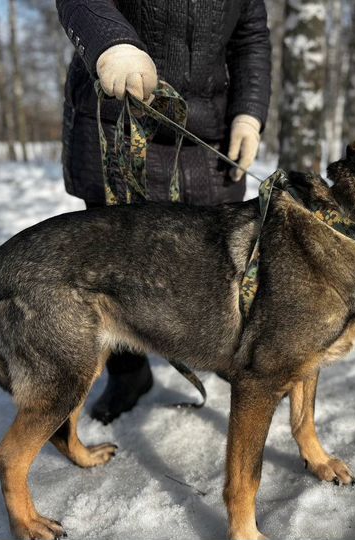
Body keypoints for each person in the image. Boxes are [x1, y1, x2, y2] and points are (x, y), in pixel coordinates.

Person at [56, 0, 271, 424]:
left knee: (216, 260)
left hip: (208, 129)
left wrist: (249, 114)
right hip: (117, 122)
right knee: (116, 264)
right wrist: (111, 44)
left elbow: (251, 36)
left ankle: (222, 353)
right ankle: (128, 373)